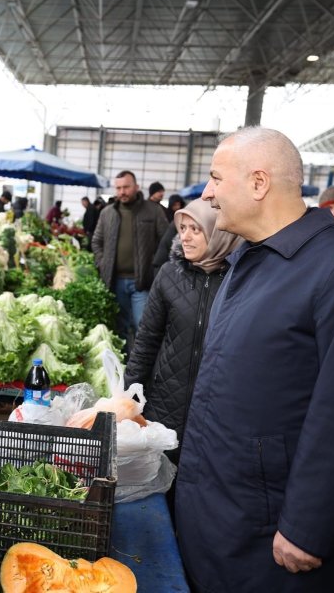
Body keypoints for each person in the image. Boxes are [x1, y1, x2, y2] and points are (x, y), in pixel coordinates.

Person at [175, 127, 334, 591]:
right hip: (220, 504)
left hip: (273, 526)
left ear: (259, 183)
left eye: (217, 178)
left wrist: (308, 525)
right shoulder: (250, 260)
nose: (208, 193)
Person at [124, 197, 240, 471]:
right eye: (182, 228)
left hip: (217, 408)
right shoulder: (169, 274)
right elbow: (147, 340)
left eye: (195, 229)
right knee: (163, 476)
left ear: (218, 232)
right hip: (166, 403)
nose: (185, 237)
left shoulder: (241, 280)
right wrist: (130, 395)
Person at [91, 170, 168, 351]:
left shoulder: (153, 211)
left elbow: (166, 242)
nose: (122, 192)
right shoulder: (107, 213)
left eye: (126, 187)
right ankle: (124, 365)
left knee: (143, 325)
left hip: (142, 282)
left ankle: (143, 369)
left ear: (136, 187)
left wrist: (156, 269)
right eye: (118, 188)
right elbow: (96, 241)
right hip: (115, 281)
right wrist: (102, 263)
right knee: (121, 327)